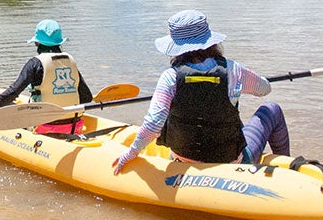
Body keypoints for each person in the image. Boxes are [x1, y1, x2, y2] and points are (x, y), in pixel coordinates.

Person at [112, 10, 289, 174]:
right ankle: (288, 170)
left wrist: (130, 153)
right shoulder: (234, 70)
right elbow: (264, 89)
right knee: (271, 109)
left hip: (181, 162)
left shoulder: (169, 77)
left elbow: (153, 124)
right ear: (211, 41)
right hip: (231, 164)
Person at [0, 19, 94, 135]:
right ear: (60, 43)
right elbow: (87, 97)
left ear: (36, 43)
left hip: (43, 127)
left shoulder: (35, 63)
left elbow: (13, 93)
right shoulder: (70, 61)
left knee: (6, 105)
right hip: (74, 126)